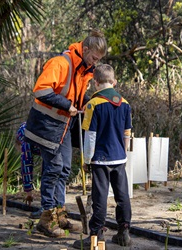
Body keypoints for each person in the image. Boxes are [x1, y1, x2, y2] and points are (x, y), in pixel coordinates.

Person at [24, 29, 107, 238]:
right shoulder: (60, 63)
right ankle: (46, 219)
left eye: (98, 60)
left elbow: (76, 97)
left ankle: (59, 215)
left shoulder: (83, 70)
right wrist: (67, 105)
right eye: (94, 58)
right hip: (46, 125)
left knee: (64, 169)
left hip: (64, 126)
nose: (94, 63)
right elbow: (41, 91)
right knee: (53, 169)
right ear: (85, 49)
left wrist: (92, 103)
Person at [72, 64, 132, 249]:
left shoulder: (93, 104)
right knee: (122, 195)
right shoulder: (125, 103)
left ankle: (96, 236)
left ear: (95, 83)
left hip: (100, 159)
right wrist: (124, 153)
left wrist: (86, 160)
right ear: (114, 82)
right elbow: (127, 133)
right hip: (119, 157)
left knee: (100, 197)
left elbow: (90, 136)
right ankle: (124, 232)